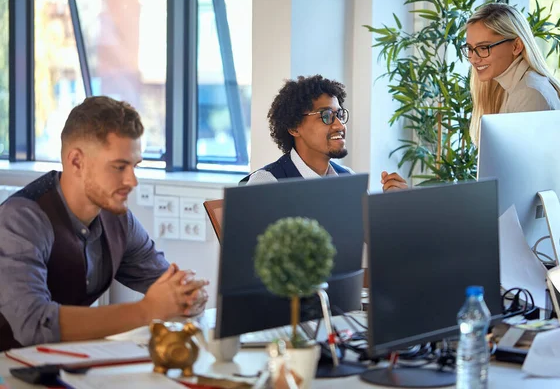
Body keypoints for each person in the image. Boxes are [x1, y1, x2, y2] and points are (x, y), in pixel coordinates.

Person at [0, 96, 209, 351]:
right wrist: (146, 310)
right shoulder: (21, 219)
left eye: (134, 166)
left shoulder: (118, 218)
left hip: (59, 362)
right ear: (76, 161)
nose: (132, 181)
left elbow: (163, 282)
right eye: (119, 167)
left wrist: (187, 295)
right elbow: (34, 325)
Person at [463, 3, 560, 251]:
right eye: (470, 49)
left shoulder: (530, 93)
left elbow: (517, 186)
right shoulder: (506, 87)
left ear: (516, 46)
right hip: (556, 226)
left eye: (483, 49)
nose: (473, 59)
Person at [242, 75, 407, 191]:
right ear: (294, 127)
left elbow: (365, 239)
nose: (339, 125)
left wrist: (391, 208)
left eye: (340, 115)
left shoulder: (348, 179)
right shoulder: (267, 183)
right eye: (326, 116)